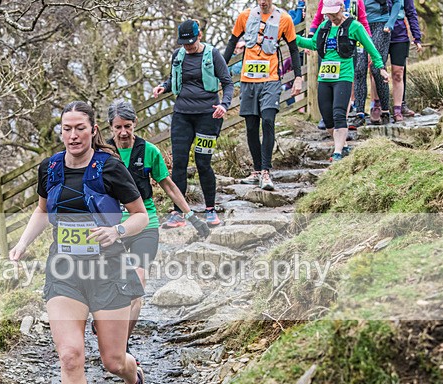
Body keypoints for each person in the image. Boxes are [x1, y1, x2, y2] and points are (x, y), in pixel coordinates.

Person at [8, 101, 149, 384]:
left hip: (108, 271)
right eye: (66, 128)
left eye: (79, 128)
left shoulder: (110, 167)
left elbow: (141, 216)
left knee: (113, 361)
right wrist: (22, 244)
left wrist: (117, 230)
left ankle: (133, 380)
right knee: (70, 355)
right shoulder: (50, 167)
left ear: (93, 130)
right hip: (65, 272)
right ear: (61, 131)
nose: (73, 135)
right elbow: (43, 210)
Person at [105, 100, 211, 353]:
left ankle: (121, 346)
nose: (123, 132)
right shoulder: (103, 153)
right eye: (118, 127)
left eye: (128, 126)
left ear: (135, 124)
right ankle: (108, 327)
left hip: (145, 224)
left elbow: (169, 186)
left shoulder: (149, 151)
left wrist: (191, 216)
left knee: (136, 288)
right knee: (109, 287)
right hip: (112, 227)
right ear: (110, 127)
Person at [152, 19, 233, 228]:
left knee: (203, 163)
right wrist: (163, 86)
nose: (187, 47)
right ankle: (178, 213)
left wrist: (224, 105)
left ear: (200, 36)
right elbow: (174, 79)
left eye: (191, 43)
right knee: (179, 164)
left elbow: (227, 83)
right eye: (184, 43)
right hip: (182, 116)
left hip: (208, 116)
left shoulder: (213, 54)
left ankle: (210, 209)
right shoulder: (177, 56)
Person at [223, 0, 303, 191]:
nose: (263, 2)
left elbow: (293, 49)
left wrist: (298, 77)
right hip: (248, 80)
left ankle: (266, 171)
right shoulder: (244, 16)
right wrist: (221, 70)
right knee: (251, 126)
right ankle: (257, 170)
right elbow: (232, 42)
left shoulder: (284, 19)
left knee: (268, 120)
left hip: (271, 79)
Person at [297, 0, 390, 159]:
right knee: (327, 119)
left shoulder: (354, 26)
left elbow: (371, 48)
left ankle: (337, 152)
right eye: (328, 13)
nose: (331, 16)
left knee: (339, 114)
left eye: (334, 13)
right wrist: (294, 38)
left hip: (344, 76)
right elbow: (313, 44)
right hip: (325, 77)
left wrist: (381, 67)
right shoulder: (324, 26)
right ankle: (343, 146)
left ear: (341, 8)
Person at [354, 0, 402, 124]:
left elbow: (397, 2)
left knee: (377, 68)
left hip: (380, 25)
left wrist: (390, 23)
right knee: (359, 69)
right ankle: (359, 114)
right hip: (359, 26)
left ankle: (385, 111)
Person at [389, 0, 423, 120]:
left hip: (400, 34)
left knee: (399, 72)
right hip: (378, 30)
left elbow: (411, 12)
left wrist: (417, 37)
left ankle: (400, 105)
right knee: (376, 71)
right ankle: (379, 107)